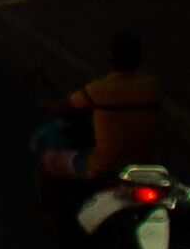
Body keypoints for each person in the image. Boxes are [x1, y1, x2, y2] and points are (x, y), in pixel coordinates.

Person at [31, 28, 164, 196]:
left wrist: (47, 105)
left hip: (104, 167)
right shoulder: (153, 86)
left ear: (110, 59)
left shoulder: (99, 89)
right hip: (145, 166)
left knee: (47, 160)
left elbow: (66, 105)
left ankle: (50, 218)